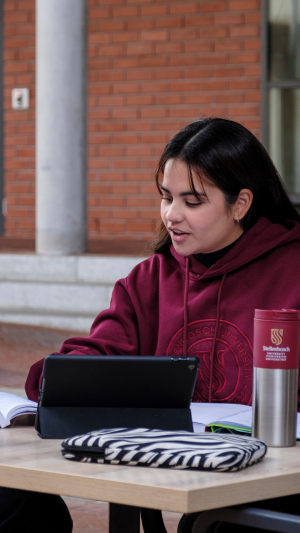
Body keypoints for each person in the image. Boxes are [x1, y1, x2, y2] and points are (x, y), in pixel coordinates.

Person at [3, 117, 300, 532]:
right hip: (175, 467)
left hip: (275, 481)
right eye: (166, 197)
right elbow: (97, 354)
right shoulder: (150, 279)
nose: (172, 215)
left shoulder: (293, 270)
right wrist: (62, 374)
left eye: (192, 201)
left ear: (240, 204)